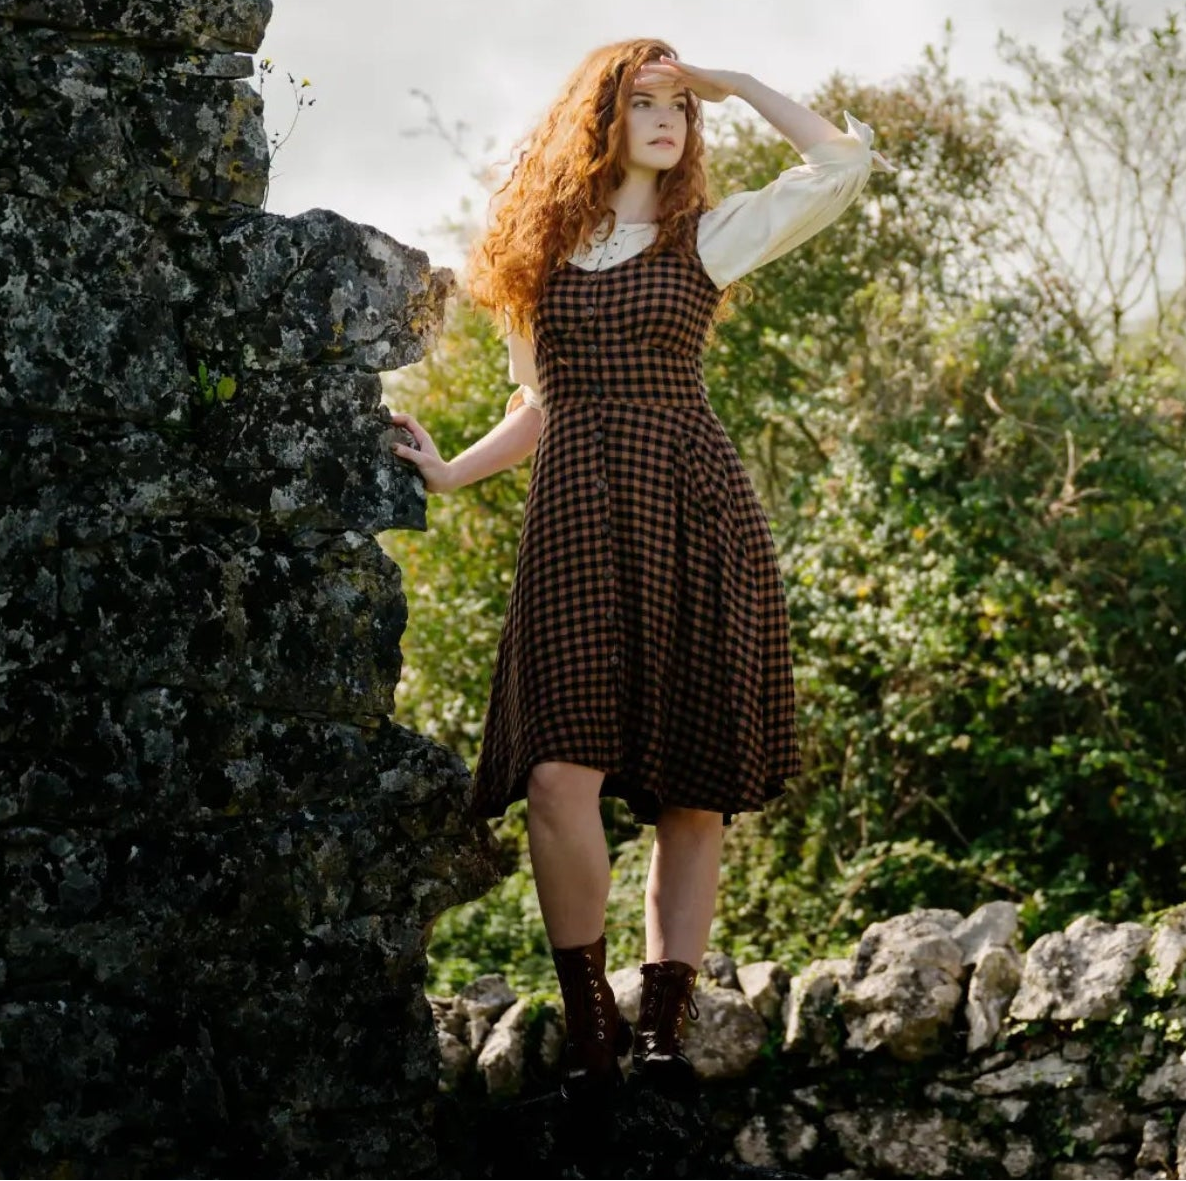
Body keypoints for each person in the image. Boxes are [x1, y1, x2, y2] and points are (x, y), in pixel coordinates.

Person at [389, 39, 891, 1106]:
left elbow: (842, 168)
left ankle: (660, 1031)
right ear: (600, 119)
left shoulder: (703, 235)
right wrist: (448, 475)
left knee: (690, 791)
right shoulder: (537, 256)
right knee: (556, 775)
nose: (668, 119)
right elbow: (534, 405)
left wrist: (740, 87)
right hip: (574, 516)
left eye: (679, 106)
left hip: (696, 507)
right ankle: (592, 1028)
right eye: (645, 101)